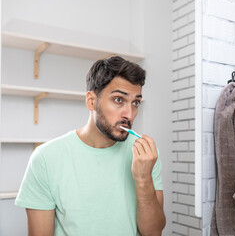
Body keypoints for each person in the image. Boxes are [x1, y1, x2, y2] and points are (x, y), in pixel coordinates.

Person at [15, 56, 166, 235]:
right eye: (119, 100)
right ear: (91, 101)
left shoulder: (146, 154)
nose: (129, 114)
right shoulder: (45, 158)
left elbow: (154, 232)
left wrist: (143, 179)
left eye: (135, 103)